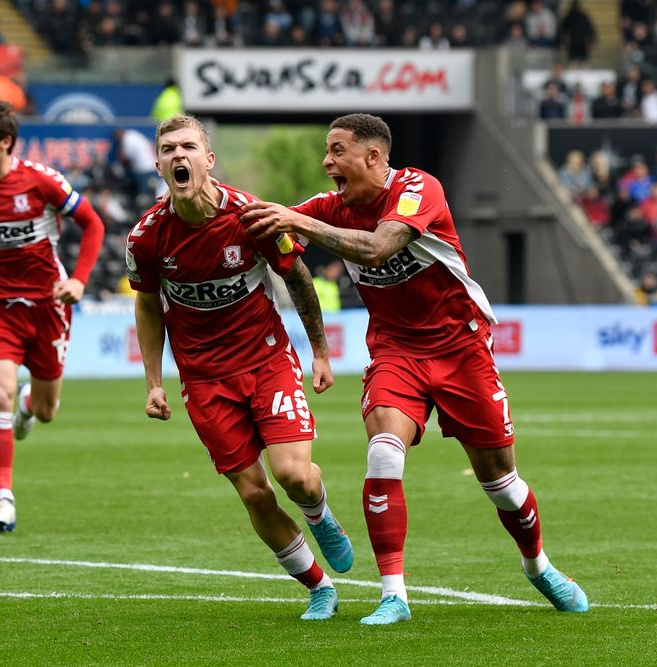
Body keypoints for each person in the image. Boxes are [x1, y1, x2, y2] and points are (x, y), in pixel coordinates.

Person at [241, 113, 588, 624]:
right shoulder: (328, 208)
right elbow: (270, 234)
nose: (326, 162)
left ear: (373, 157)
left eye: (337, 151)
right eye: (327, 151)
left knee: (501, 480)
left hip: (461, 348)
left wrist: (301, 224)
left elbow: (380, 246)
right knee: (383, 453)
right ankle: (394, 595)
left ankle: (539, 566)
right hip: (395, 351)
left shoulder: (417, 188)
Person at [129, 114, 353, 621]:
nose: (178, 155)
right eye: (168, 149)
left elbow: (296, 276)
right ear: (159, 165)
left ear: (208, 160)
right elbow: (147, 307)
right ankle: (317, 587)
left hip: (266, 361)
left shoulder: (251, 217)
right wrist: (152, 383)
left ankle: (319, 514)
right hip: (204, 380)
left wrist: (318, 350)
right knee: (254, 493)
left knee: (294, 476)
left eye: (188, 146)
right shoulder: (147, 238)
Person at [0, 97, 104, 532]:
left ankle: (29, 406)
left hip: (50, 305)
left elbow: (94, 225)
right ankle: (3, 499)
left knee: (47, 410)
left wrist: (80, 281)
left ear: (6, 141)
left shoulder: (42, 182)